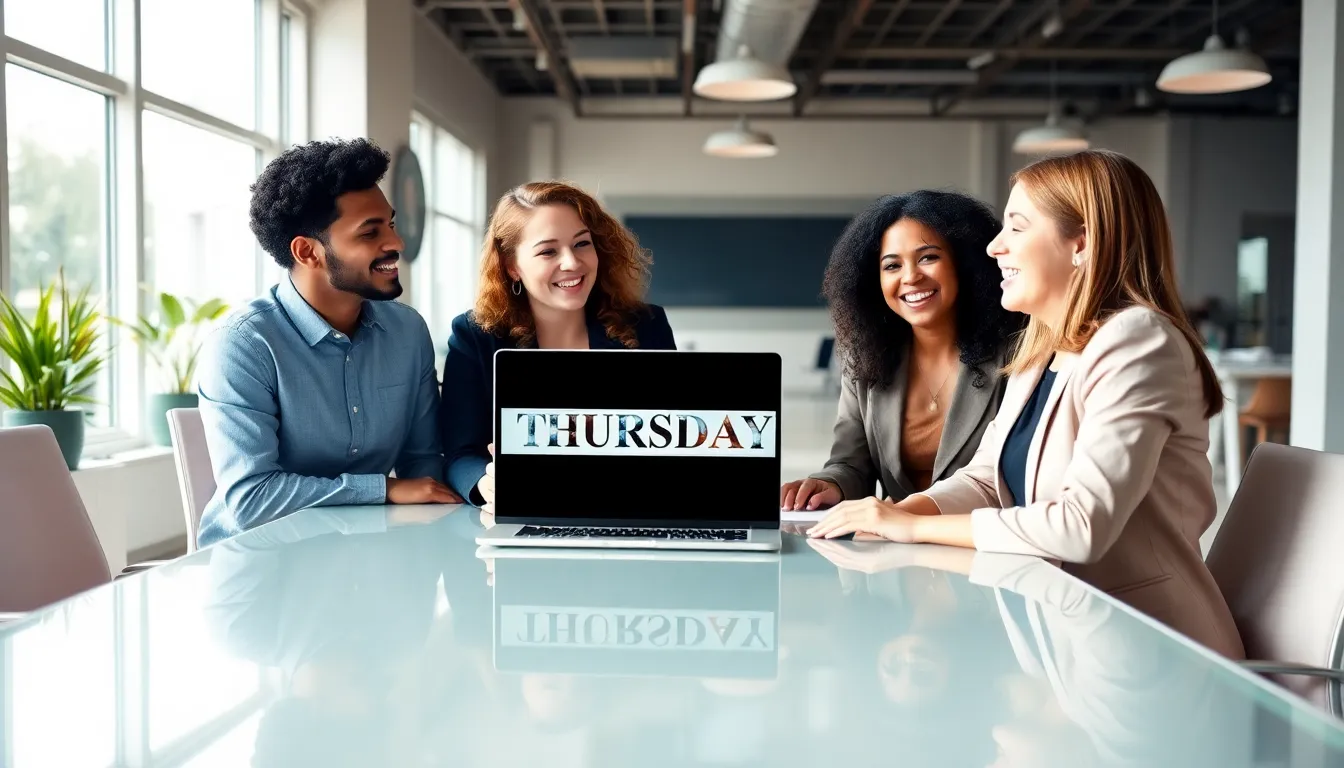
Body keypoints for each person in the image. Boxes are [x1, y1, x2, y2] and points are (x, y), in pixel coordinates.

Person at [807, 149, 1244, 659]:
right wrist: (892, 512)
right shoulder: (1045, 347)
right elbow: (986, 478)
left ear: (1081, 243)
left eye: (1015, 227)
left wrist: (912, 526)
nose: (994, 247)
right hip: (1064, 635)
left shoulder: (1137, 339)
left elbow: (1080, 528)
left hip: (1148, 654)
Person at [196, 138, 460, 548]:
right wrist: (381, 490)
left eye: (389, 224)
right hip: (259, 568)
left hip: (366, 557)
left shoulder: (408, 333)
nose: (396, 243)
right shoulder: (244, 346)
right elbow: (250, 500)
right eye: (370, 233)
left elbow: (423, 463)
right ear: (307, 252)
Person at [781, 190, 1024, 511]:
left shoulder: (1017, 353)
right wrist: (828, 484)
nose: (910, 277)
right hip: (898, 548)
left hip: (983, 543)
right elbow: (851, 465)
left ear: (964, 263)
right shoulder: (864, 359)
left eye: (928, 257)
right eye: (892, 265)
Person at [440, 181, 676, 504]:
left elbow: (679, 437)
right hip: (529, 508)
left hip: (631, 504)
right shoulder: (474, 336)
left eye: (582, 244)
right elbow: (460, 454)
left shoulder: (647, 326)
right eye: (548, 251)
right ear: (512, 267)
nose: (572, 262)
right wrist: (486, 482)